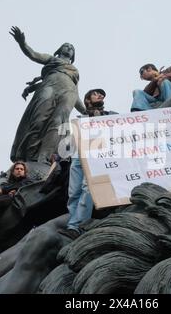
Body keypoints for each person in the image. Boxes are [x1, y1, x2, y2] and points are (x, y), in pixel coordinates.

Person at [9, 26, 86, 165]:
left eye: (71, 48)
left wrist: (87, 112)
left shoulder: (74, 71)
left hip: (69, 93)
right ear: (59, 49)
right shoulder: (51, 59)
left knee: (59, 123)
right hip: (49, 87)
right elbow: (32, 54)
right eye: (66, 46)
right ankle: (30, 156)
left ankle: (45, 157)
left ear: (73, 55)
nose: (69, 48)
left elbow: (77, 94)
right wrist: (22, 43)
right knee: (38, 120)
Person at [58, 89, 117, 240]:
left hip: (97, 154)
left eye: (102, 94)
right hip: (78, 156)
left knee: (87, 188)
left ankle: (77, 226)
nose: (101, 96)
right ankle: (73, 224)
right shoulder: (79, 119)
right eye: (96, 94)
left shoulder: (111, 115)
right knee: (74, 192)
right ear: (87, 100)